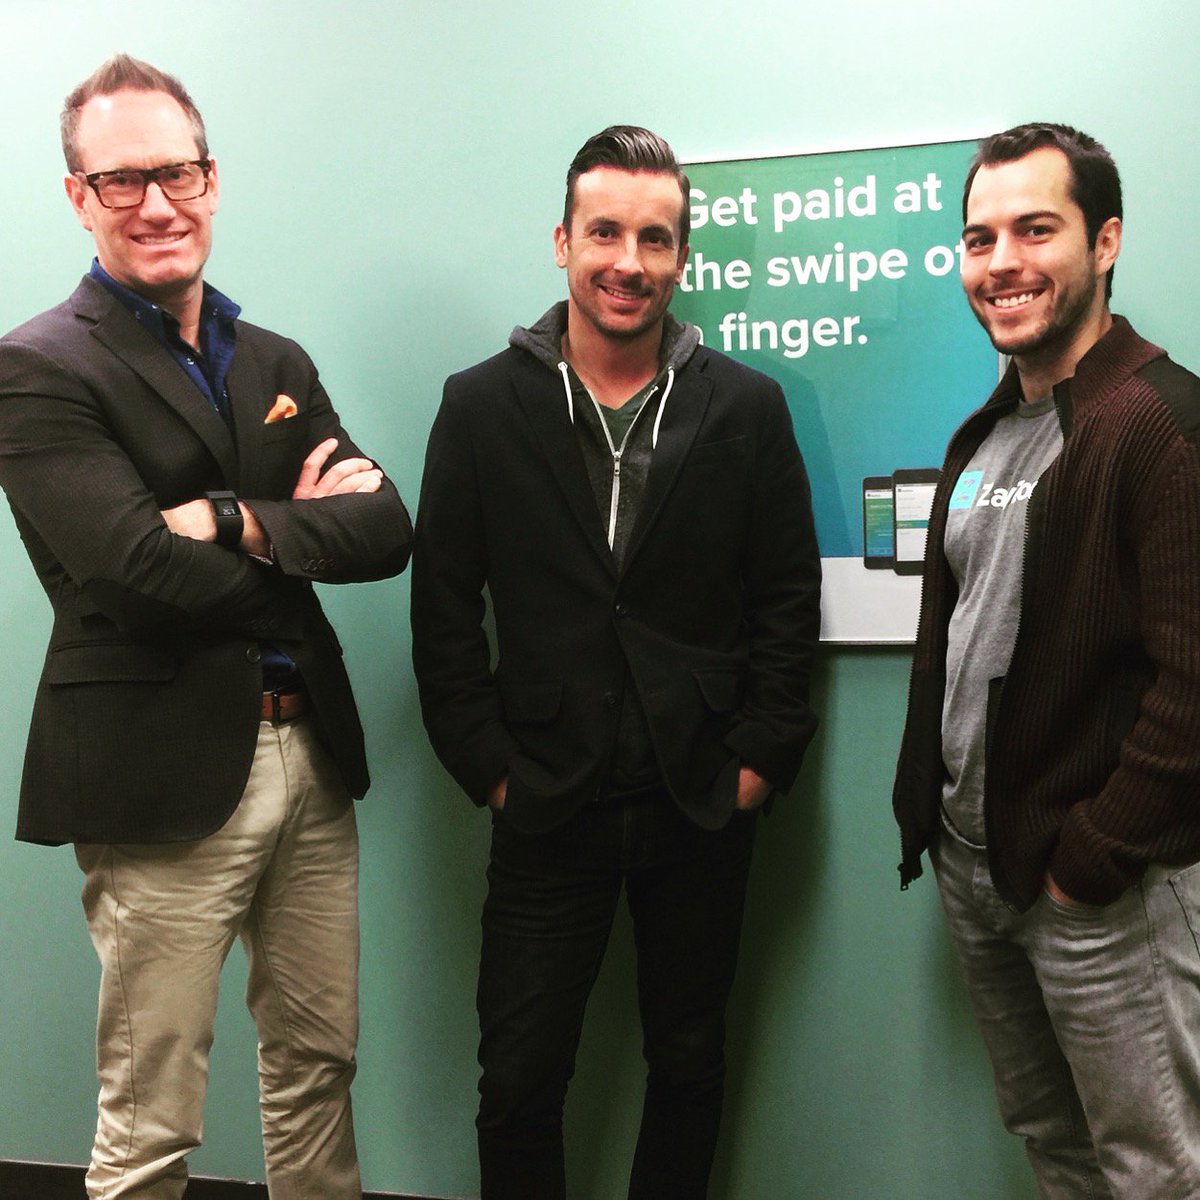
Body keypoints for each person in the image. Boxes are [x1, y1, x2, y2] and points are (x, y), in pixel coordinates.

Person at [0, 54, 412, 1199]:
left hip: (310, 756)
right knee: (153, 1118)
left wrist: (231, 519)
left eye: (175, 172)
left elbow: (386, 528)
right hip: (158, 773)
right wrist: (297, 541)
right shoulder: (36, 368)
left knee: (318, 1068)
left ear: (212, 179)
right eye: (121, 180)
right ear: (79, 197)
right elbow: (136, 574)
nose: (156, 203)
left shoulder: (274, 360)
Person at [411, 125, 821, 1199]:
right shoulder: (479, 405)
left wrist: (759, 760)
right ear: (563, 241)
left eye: (654, 238)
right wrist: (488, 768)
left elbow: (787, 600)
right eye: (604, 233)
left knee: (688, 1065)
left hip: (701, 796)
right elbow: (444, 608)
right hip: (545, 799)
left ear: (682, 257)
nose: (627, 262)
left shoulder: (746, 406)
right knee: (518, 1082)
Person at [892, 122, 1200, 1198]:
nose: (1002, 263)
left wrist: (1091, 861)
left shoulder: (1162, 423)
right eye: (980, 239)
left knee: (1156, 1170)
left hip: (1104, 887)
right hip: (978, 869)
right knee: (1053, 1143)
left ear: (1104, 241)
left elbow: (1195, 687)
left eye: (1035, 230)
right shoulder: (987, 436)